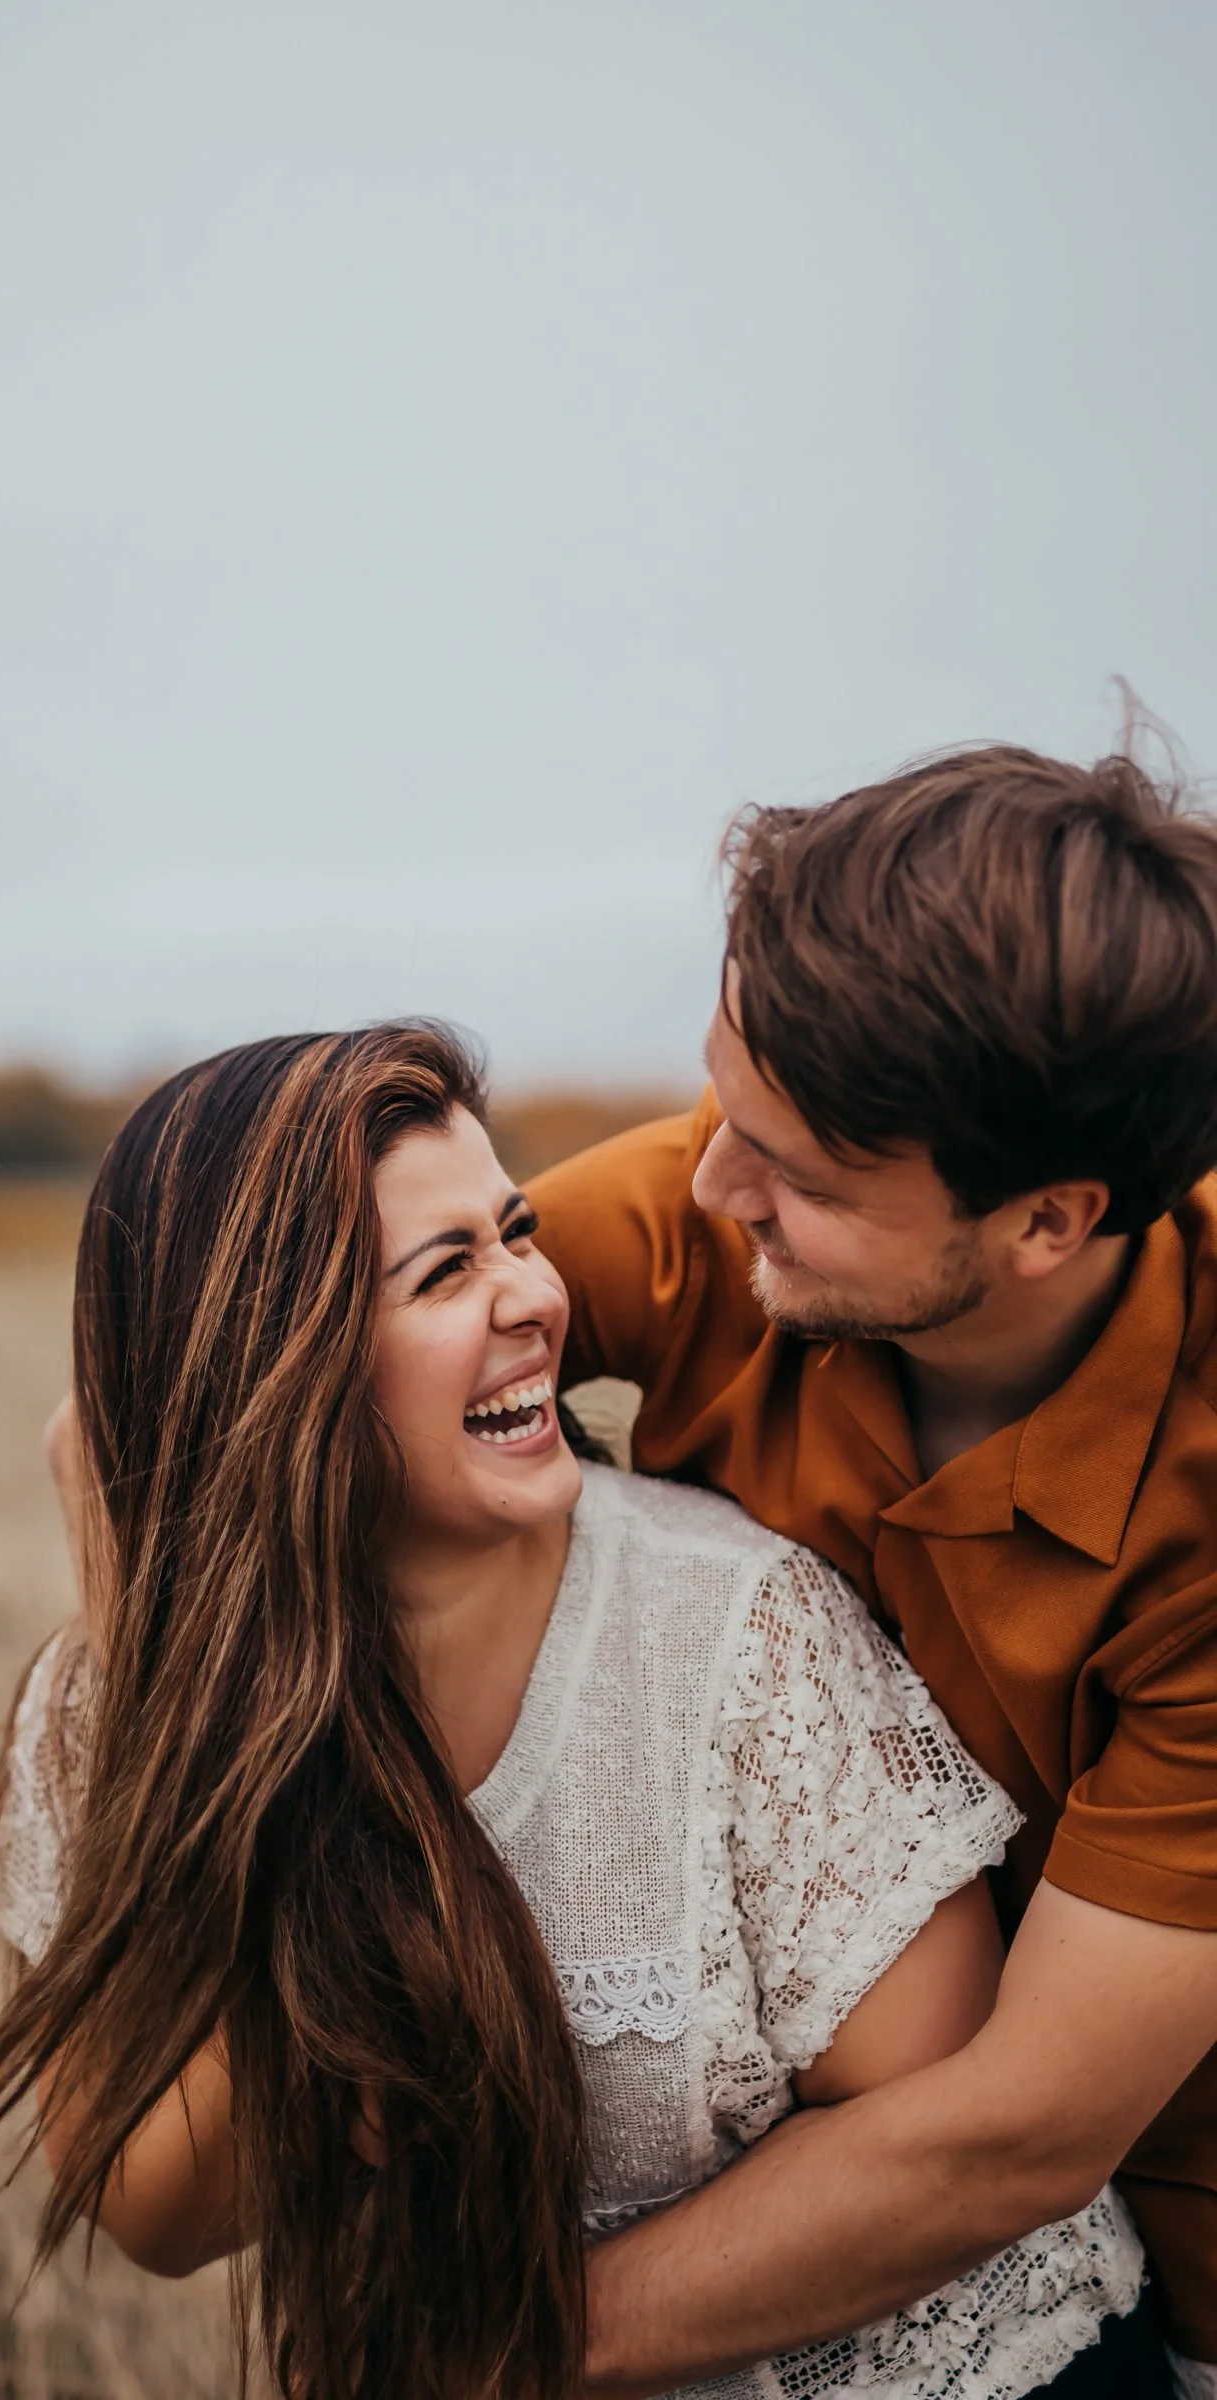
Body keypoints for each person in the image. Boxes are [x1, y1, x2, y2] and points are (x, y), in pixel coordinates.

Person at [0, 1022, 1143, 2400]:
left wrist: (503, 2354)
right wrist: (240, 1772)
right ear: (274, 1366)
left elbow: (944, 2150)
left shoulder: (736, 1636)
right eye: (446, 1271)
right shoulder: (105, 1710)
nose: (538, 1297)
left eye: (516, 1232)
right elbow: (156, 2214)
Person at [522, 740, 1217, 2399]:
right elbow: (198, 1409)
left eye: (804, 1179)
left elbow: (1026, 2131)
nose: (708, 1185)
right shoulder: (718, 1189)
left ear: (1052, 1222)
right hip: (756, 2165)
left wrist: (483, 2352)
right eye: (721, 1102)